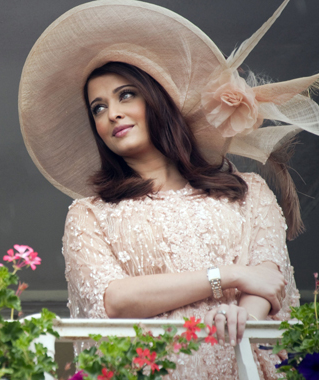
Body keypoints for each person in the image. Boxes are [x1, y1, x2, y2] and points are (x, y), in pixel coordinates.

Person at [18, 0, 319, 378]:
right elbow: (115, 299)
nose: (112, 113)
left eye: (126, 95)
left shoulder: (249, 192)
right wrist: (226, 276)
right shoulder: (90, 212)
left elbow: (267, 277)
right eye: (98, 107)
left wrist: (243, 314)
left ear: (156, 98)